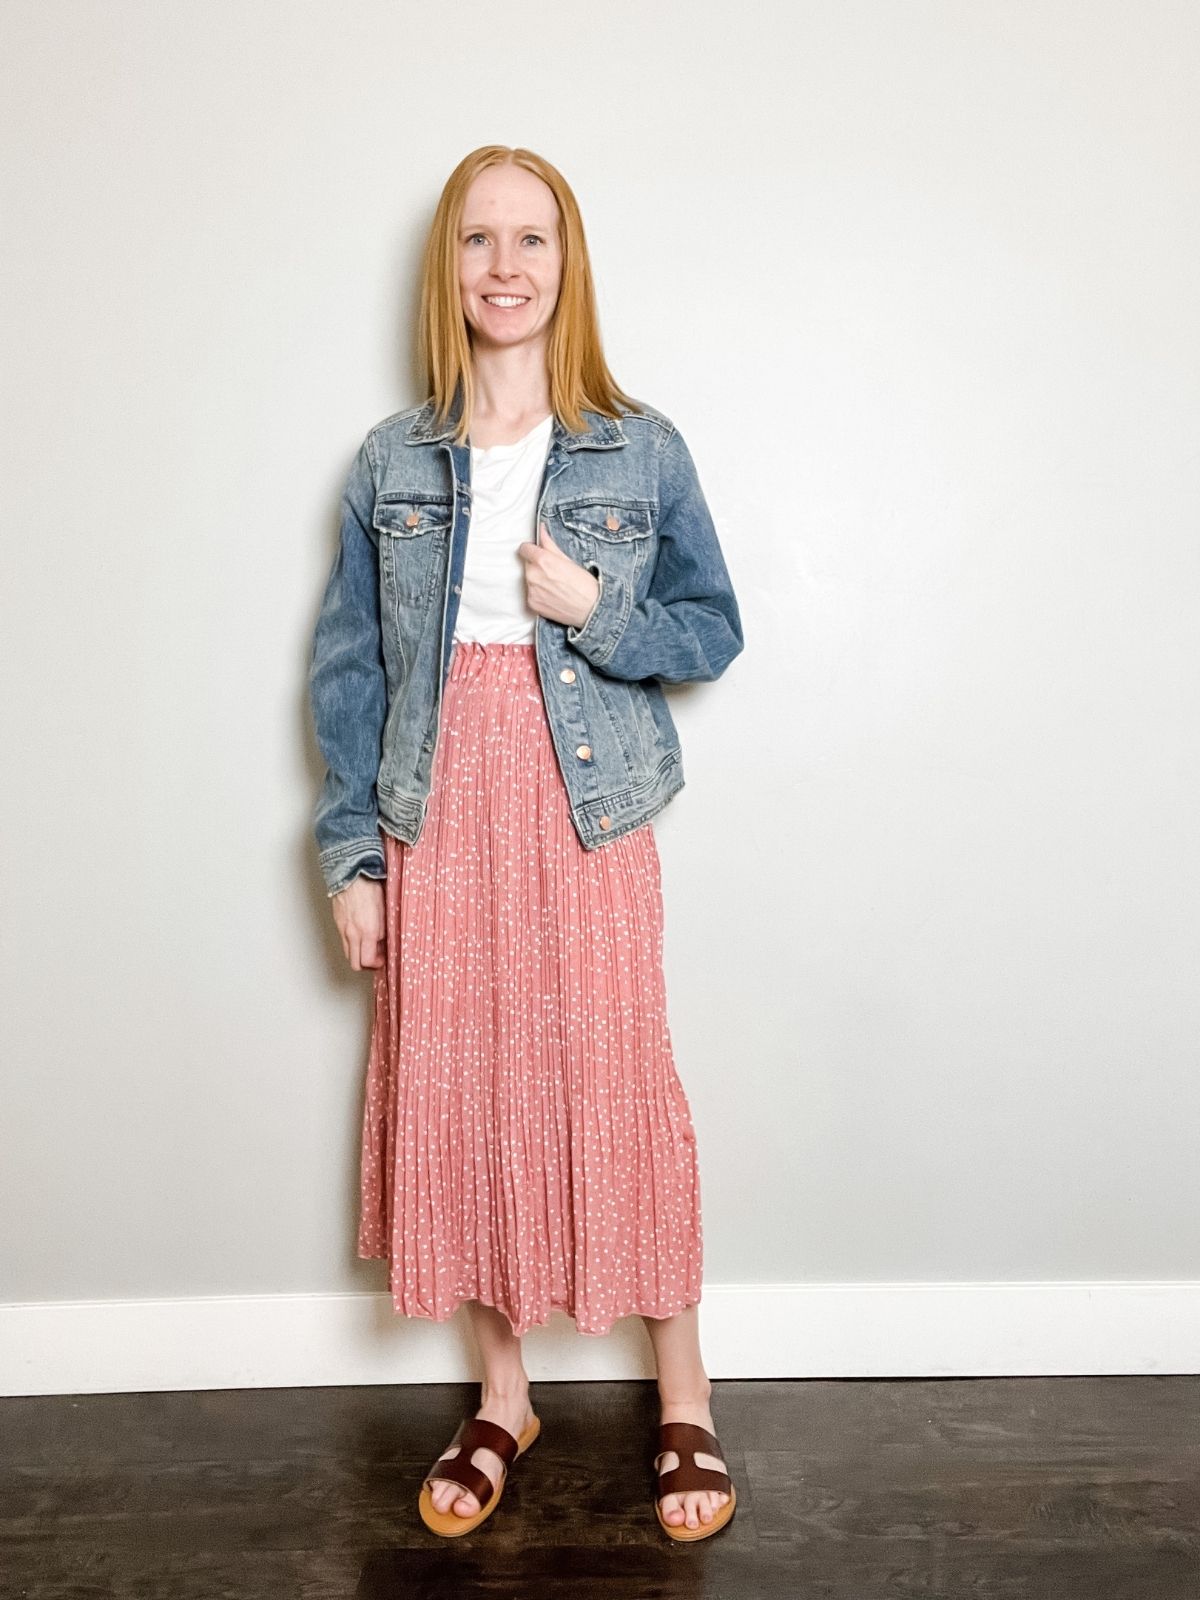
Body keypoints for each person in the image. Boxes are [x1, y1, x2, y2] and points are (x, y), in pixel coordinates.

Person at [308, 145, 744, 1542]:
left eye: (532, 241)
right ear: (450, 269)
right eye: (479, 242)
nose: (506, 268)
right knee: (466, 1089)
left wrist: (594, 607)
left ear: (569, 265)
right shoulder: (392, 463)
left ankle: (686, 1399)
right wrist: (352, 856)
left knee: (617, 1076)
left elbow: (709, 630)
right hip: (437, 805)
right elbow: (348, 675)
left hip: (585, 798)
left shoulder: (639, 444)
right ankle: (505, 1396)